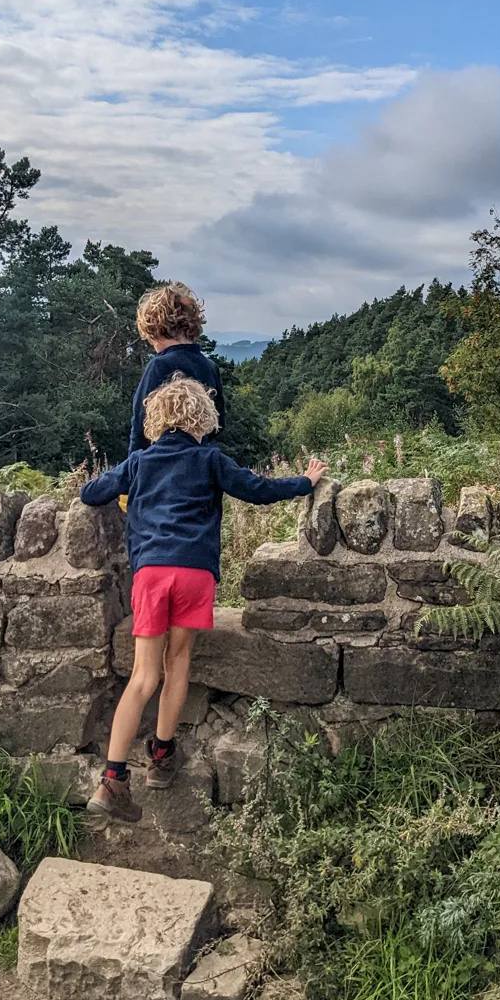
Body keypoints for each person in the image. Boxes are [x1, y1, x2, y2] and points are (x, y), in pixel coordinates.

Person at [80, 373, 327, 822]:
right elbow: (258, 489)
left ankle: (112, 780)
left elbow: (90, 492)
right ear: (203, 418)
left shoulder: (139, 462)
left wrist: (126, 488)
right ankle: (161, 757)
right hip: (193, 572)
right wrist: (305, 483)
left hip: (151, 573)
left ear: (155, 419)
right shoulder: (211, 459)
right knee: (179, 663)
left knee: (142, 676)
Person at [129, 282, 225, 454]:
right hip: (200, 457)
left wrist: (133, 470)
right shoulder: (210, 367)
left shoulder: (158, 366)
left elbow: (140, 425)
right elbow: (218, 424)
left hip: (161, 462)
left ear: (154, 328)